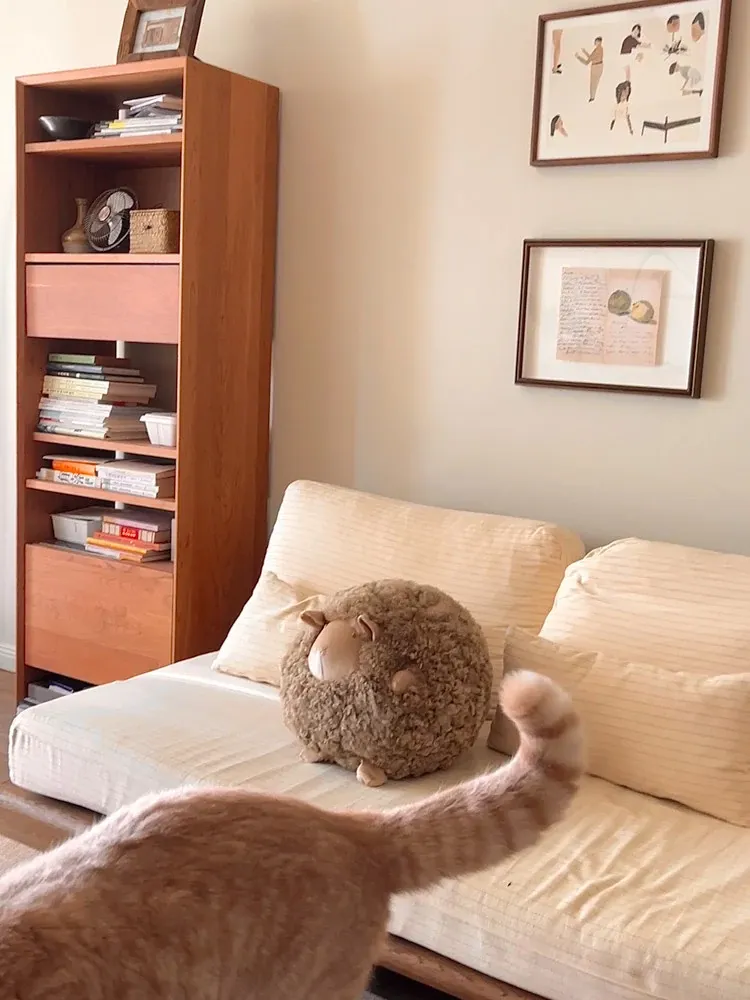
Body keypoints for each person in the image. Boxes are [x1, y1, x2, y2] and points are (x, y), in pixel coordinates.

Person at [575, 36, 604, 101]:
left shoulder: (598, 50)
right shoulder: (599, 49)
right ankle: (592, 97)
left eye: (596, 41)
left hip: (596, 67)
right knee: (594, 83)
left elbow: (587, 62)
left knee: (593, 83)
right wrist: (584, 52)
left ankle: (592, 97)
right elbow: (591, 57)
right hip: (598, 66)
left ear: (599, 42)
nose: (595, 42)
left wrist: (578, 57)